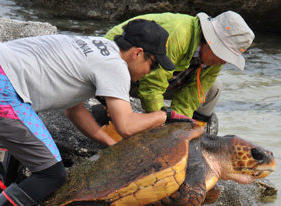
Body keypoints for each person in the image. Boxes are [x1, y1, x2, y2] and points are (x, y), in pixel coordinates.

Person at [0, 19, 184, 206]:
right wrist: (164, 116)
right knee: (51, 173)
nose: (151, 73)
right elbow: (126, 125)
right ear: (138, 53)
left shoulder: (96, 46)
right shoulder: (115, 65)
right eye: (154, 65)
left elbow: (74, 110)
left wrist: (110, 144)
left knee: (17, 147)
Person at [104, 11, 255, 134]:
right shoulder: (179, 35)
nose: (224, 61)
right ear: (210, 41)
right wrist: (160, 128)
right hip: (123, 65)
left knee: (214, 87)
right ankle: (112, 121)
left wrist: (177, 129)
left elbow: (190, 98)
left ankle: (195, 133)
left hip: (157, 74)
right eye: (224, 55)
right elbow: (152, 86)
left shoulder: (216, 59)